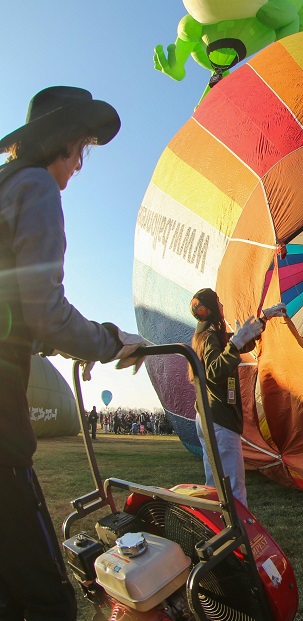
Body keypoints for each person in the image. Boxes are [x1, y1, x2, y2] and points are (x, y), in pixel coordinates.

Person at [0, 86, 147, 621]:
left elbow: (12, 310)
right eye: (82, 147)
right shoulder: (37, 187)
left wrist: (51, 340)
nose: (80, 165)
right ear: (63, 145)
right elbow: (43, 308)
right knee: (44, 597)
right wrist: (110, 341)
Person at [188, 287, 285, 507]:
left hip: (206, 417)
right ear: (212, 308)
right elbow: (215, 370)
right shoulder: (211, 337)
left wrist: (264, 318)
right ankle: (239, 535)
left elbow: (242, 340)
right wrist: (234, 345)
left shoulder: (204, 336)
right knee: (233, 486)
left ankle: (216, 527)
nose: (222, 305)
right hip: (219, 420)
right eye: (219, 302)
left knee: (214, 483)